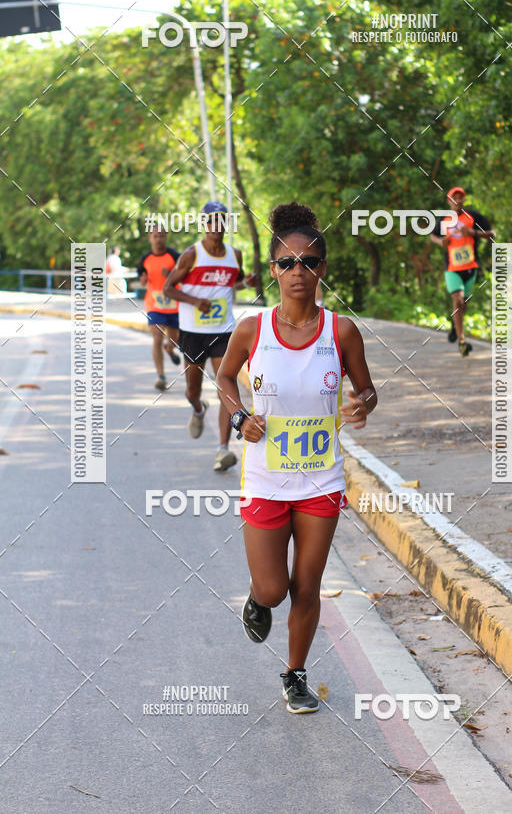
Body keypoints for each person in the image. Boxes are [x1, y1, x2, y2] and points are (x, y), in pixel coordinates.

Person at [216, 202, 377, 714]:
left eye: (308, 262)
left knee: (307, 587)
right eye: (287, 263)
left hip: (321, 482)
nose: (297, 272)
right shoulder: (252, 329)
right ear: (273, 272)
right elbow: (222, 379)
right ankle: (257, 599)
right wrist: (240, 419)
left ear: (322, 269)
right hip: (265, 478)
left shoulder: (342, 332)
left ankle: (296, 675)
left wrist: (362, 405)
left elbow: (368, 391)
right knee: (273, 588)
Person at [163, 201, 258, 472]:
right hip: (193, 333)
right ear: (204, 224)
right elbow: (169, 288)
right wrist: (195, 301)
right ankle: (197, 409)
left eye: (221, 220)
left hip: (224, 331)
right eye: (211, 221)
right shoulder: (192, 255)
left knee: (226, 386)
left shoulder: (235, 255)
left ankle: (223, 450)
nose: (216, 226)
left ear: (226, 224)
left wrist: (245, 283)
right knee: (192, 390)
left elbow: (230, 283)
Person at [431, 186, 494, 357]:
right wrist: (440, 242)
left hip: (470, 267)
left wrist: (472, 232)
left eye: (460, 198)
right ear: (449, 201)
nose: (457, 201)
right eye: (454, 198)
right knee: (457, 300)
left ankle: (454, 325)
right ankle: (462, 341)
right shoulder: (444, 220)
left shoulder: (473, 216)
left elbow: (491, 233)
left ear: (464, 200)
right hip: (452, 267)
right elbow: (433, 235)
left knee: (463, 304)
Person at [137, 227, 181, 390]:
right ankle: (161, 376)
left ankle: (169, 349)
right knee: (157, 337)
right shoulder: (145, 259)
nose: (158, 239)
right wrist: (143, 279)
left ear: (165, 237)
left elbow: (184, 275)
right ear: (150, 238)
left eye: (161, 236)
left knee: (173, 340)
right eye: (155, 236)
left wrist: (170, 273)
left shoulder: (175, 256)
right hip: (154, 304)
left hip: (173, 303)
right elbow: (141, 279)